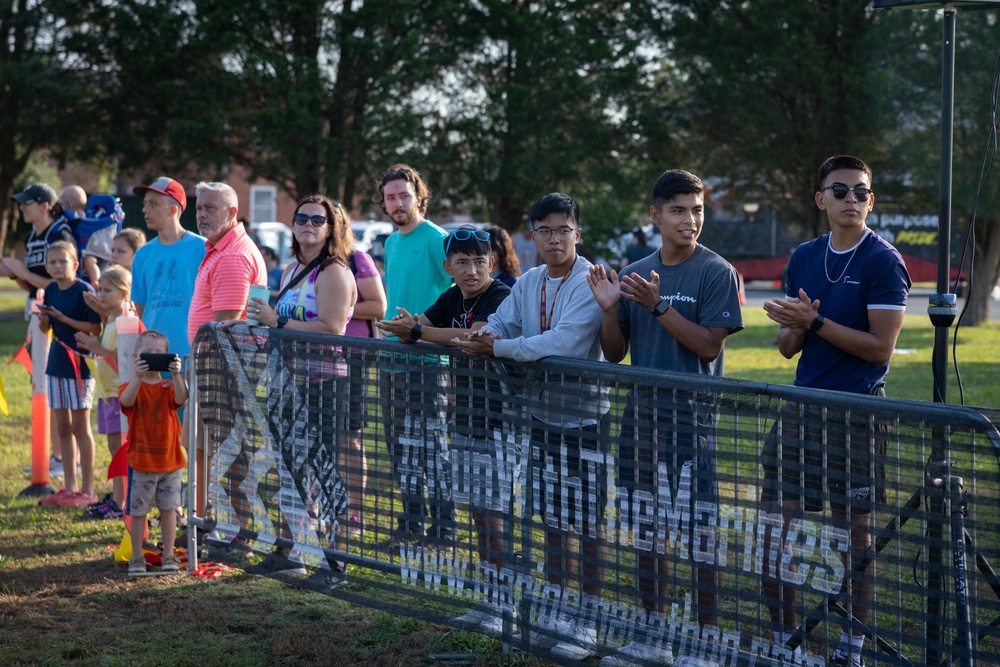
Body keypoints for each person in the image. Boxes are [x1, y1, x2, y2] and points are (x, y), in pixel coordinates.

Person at [587, 169, 744, 667]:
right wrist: (612, 311)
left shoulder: (716, 271)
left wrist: (656, 308)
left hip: (691, 423)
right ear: (655, 215)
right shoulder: (636, 270)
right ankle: (652, 633)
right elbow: (615, 355)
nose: (690, 220)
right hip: (643, 420)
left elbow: (707, 343)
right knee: (648, 531)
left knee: (699, 534)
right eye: (678, 210)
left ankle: (706, 641)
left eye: (697, 209)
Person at [761, 155, 911, 667]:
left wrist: (814, 322)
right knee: (774, 528)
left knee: (854, 536)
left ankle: (852, 646)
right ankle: (783, 639)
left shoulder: (883, 260)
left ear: (872, 200)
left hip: (858, 413)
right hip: (802, 408)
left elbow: (880, 350)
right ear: (820, 198)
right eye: (840, 191)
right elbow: (786, 347)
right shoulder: (804, 256)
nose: (852, 200)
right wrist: (795, 323)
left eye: (861, 192)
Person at [454, 192, 609, 661]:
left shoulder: (590, 278)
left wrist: (496, 347)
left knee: (587, 522)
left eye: (564, 230)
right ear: (533, 236)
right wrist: (488, 333)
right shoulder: (531, 279)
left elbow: (563, 343)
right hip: (541, 417)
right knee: (552, 518)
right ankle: (559, 606)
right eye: (545, 230)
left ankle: (590, 617)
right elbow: (503, 319)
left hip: (586, 418)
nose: (555, 239)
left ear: (578, 234)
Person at [377, 228, 511, 632]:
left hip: (501, 419)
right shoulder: (452, 296)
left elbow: (470, 338)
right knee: (477, 512)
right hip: (467, 416)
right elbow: (423, 322)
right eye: (463, 263)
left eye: (480, 261)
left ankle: (503, 605)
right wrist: (407, 325)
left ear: (492, 263)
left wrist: (417, 333)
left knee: (494, 514)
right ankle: (490, 601)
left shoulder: (499, 296)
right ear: (447, 267)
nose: (472, 271)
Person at [242, 194, 357, 583]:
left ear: (330, 228)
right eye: (302, 218)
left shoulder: (335, 272)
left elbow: (331, 327)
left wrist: (277, 322)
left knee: (324, 473)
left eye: (318, 219)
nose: (309, 224)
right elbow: (277, 319)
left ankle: (334, 562)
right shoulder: (294, 269)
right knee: (289, 470)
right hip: (287, 383)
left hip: (325, 383)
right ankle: (290, 551)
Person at [375, 164, 456, 548]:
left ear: (418, 196)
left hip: (428, 360)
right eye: (390, 197)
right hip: (391, 360)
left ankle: (443, 531)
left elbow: (463, 288)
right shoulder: (391, 242)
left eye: (403, 195)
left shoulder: (437, 239)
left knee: (431, 447)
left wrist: (435, 331)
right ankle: (409, 526)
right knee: (398, 448)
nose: (397, 203)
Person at [189, 181, 266, 551]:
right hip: (213, 366)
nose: (202, 214)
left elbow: (224, 325)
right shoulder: (218, 248)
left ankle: (244, 533)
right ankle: (226, 525)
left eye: (211, 208)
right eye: (200, 207)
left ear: (232, 213)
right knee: (223, 449)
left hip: (224, 367)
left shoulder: (233, 254)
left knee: (233, 451)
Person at [3, 183, 78, 477]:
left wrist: (21, 271)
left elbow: (63, 284)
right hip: (39, 316)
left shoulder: (59, 234)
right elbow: (34, 282)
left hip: (58, 320)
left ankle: (63, 457)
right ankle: (53, 454)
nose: (22, 208)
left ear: (45, 205)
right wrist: (15, 275)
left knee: (52, 389)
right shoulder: (34, 234)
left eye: (27, 203)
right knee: (41, 388)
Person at [35, 241, 103, 508]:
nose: (57, 266)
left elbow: (95, 328)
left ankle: (87, 490)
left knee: (80, 427)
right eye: (52, 262)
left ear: (75, 265)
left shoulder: (83, 291)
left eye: (62, 261)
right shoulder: (50, 290)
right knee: (62, 427)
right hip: (57, 364)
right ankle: (69, 487)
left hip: (81, 367)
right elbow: (47, 329)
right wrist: (45, 319)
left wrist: (62, 318)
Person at [119, 330, 188, 575]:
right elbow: (126, 403)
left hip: (171, 463)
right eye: (148, 353)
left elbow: (182, 397)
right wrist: (137, 377)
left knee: (169, 511)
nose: (155, 357)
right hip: (142, 462)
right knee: (138, 512)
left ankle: (168, 554)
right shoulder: (129, 386)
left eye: (160, 353)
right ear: (136, 356)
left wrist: (177, 374)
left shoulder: (170, 385)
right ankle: (137, 557)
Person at [75, 266, 133, 520]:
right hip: (108, 394)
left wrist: (97, 347)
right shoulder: (112, 318)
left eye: (107, 291)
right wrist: (100, 309)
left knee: (120, 448)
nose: (102, 294)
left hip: (119, 395)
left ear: (124, 293)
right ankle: (118, 497)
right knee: (113, 447)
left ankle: (121, 502)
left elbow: (124, 365)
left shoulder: (125, 320)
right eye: (100, 290)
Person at [342, 222, 387, 537]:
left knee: (350, 438)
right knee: (319, 438)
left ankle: (355, 513)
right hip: (310, 357)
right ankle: (320, 507)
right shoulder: (306, 261)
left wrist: (335, 307)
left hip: (353, 357)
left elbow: (377, 306)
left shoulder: (357, 258)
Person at [131, 177, 205, 366]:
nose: (145, 209)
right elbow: (140, 307)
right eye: (145, 204)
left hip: (191, 353)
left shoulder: (202, 248)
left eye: (154, 204)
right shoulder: (142, 254)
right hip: (152, 354)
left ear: (173, 210)